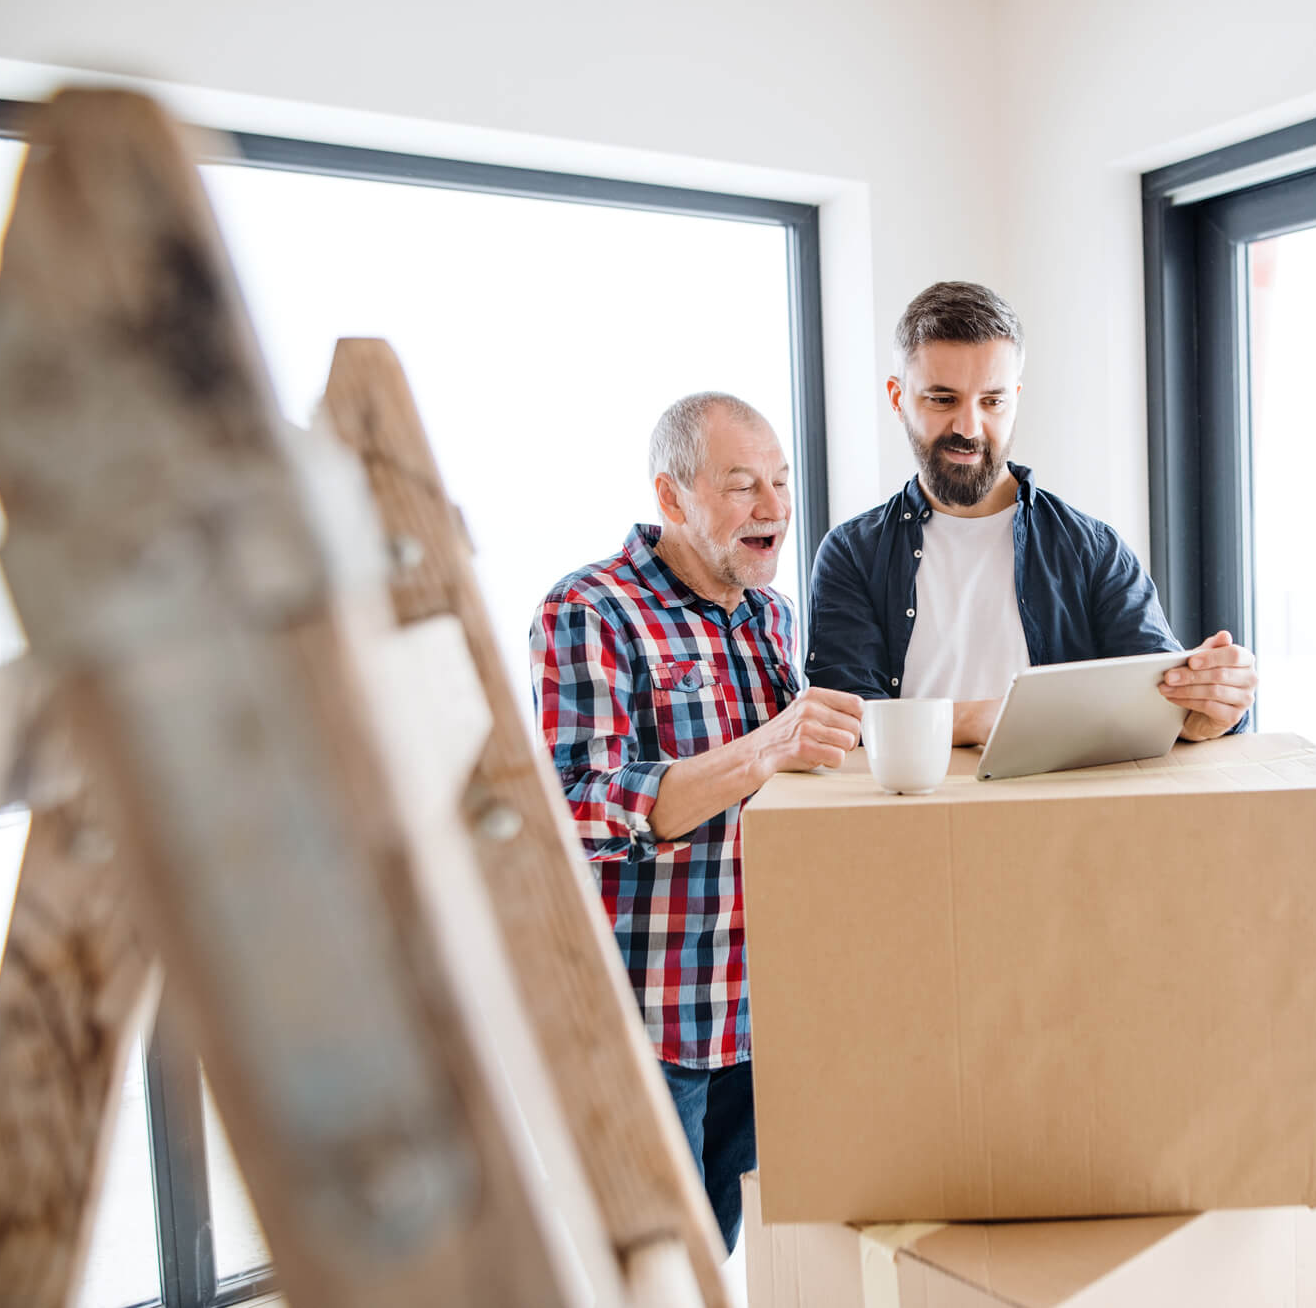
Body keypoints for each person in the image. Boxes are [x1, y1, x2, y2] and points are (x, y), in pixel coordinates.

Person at [529, 391, 863, 1253]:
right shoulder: (589, 611)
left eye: (782, 483)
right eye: (743, 484)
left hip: (756, 1013)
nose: (776, 508)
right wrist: (766, 747)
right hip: (648, 1023)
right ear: (671, 498)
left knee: (719, 1256)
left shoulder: (770, 617)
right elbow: (573, 804)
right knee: (651, 1272)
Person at [806, 281, 1256, 741]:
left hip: (1063, 815)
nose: (968, 427)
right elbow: (844, 723)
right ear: (898, 397)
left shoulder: (1093, 550)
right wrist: (991, 719)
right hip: (908, 814)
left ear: (1016, 397)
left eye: (993, 401)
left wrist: (1212, 709)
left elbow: (1163, 704)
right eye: (942, 399)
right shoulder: (851, 554)